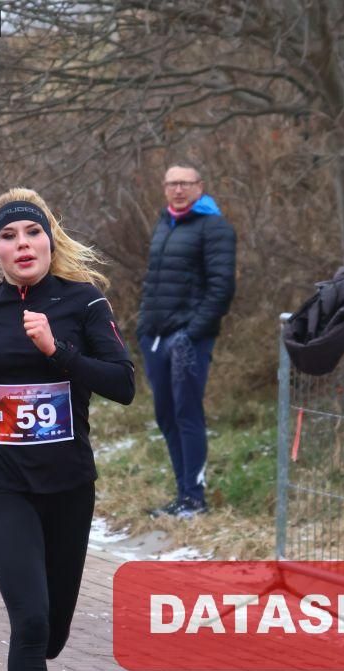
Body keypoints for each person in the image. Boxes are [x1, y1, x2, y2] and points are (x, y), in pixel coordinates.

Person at [0, 188, 134, 671]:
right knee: (30, 624)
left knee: (52, 635)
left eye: (32, 232)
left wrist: (57, 350)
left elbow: (123, 384)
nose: (22, 243)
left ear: (49, 240)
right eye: (8, 235)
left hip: (69, 486)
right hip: (4, 485)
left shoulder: (84, 301)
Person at [137, 162, 236, 518]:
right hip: (155, 337)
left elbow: (222, 288)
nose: (178, 190)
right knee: (165, 415)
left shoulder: (215, 227)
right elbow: (153, 281)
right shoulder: (165, 223)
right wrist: (144, 327)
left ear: (200, 187)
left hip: (189, 340)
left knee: (187, 414)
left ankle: (194, 499)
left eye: (185, 183)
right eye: (172, 184)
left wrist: (191, 334)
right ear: (164, 188)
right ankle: (182, 494)